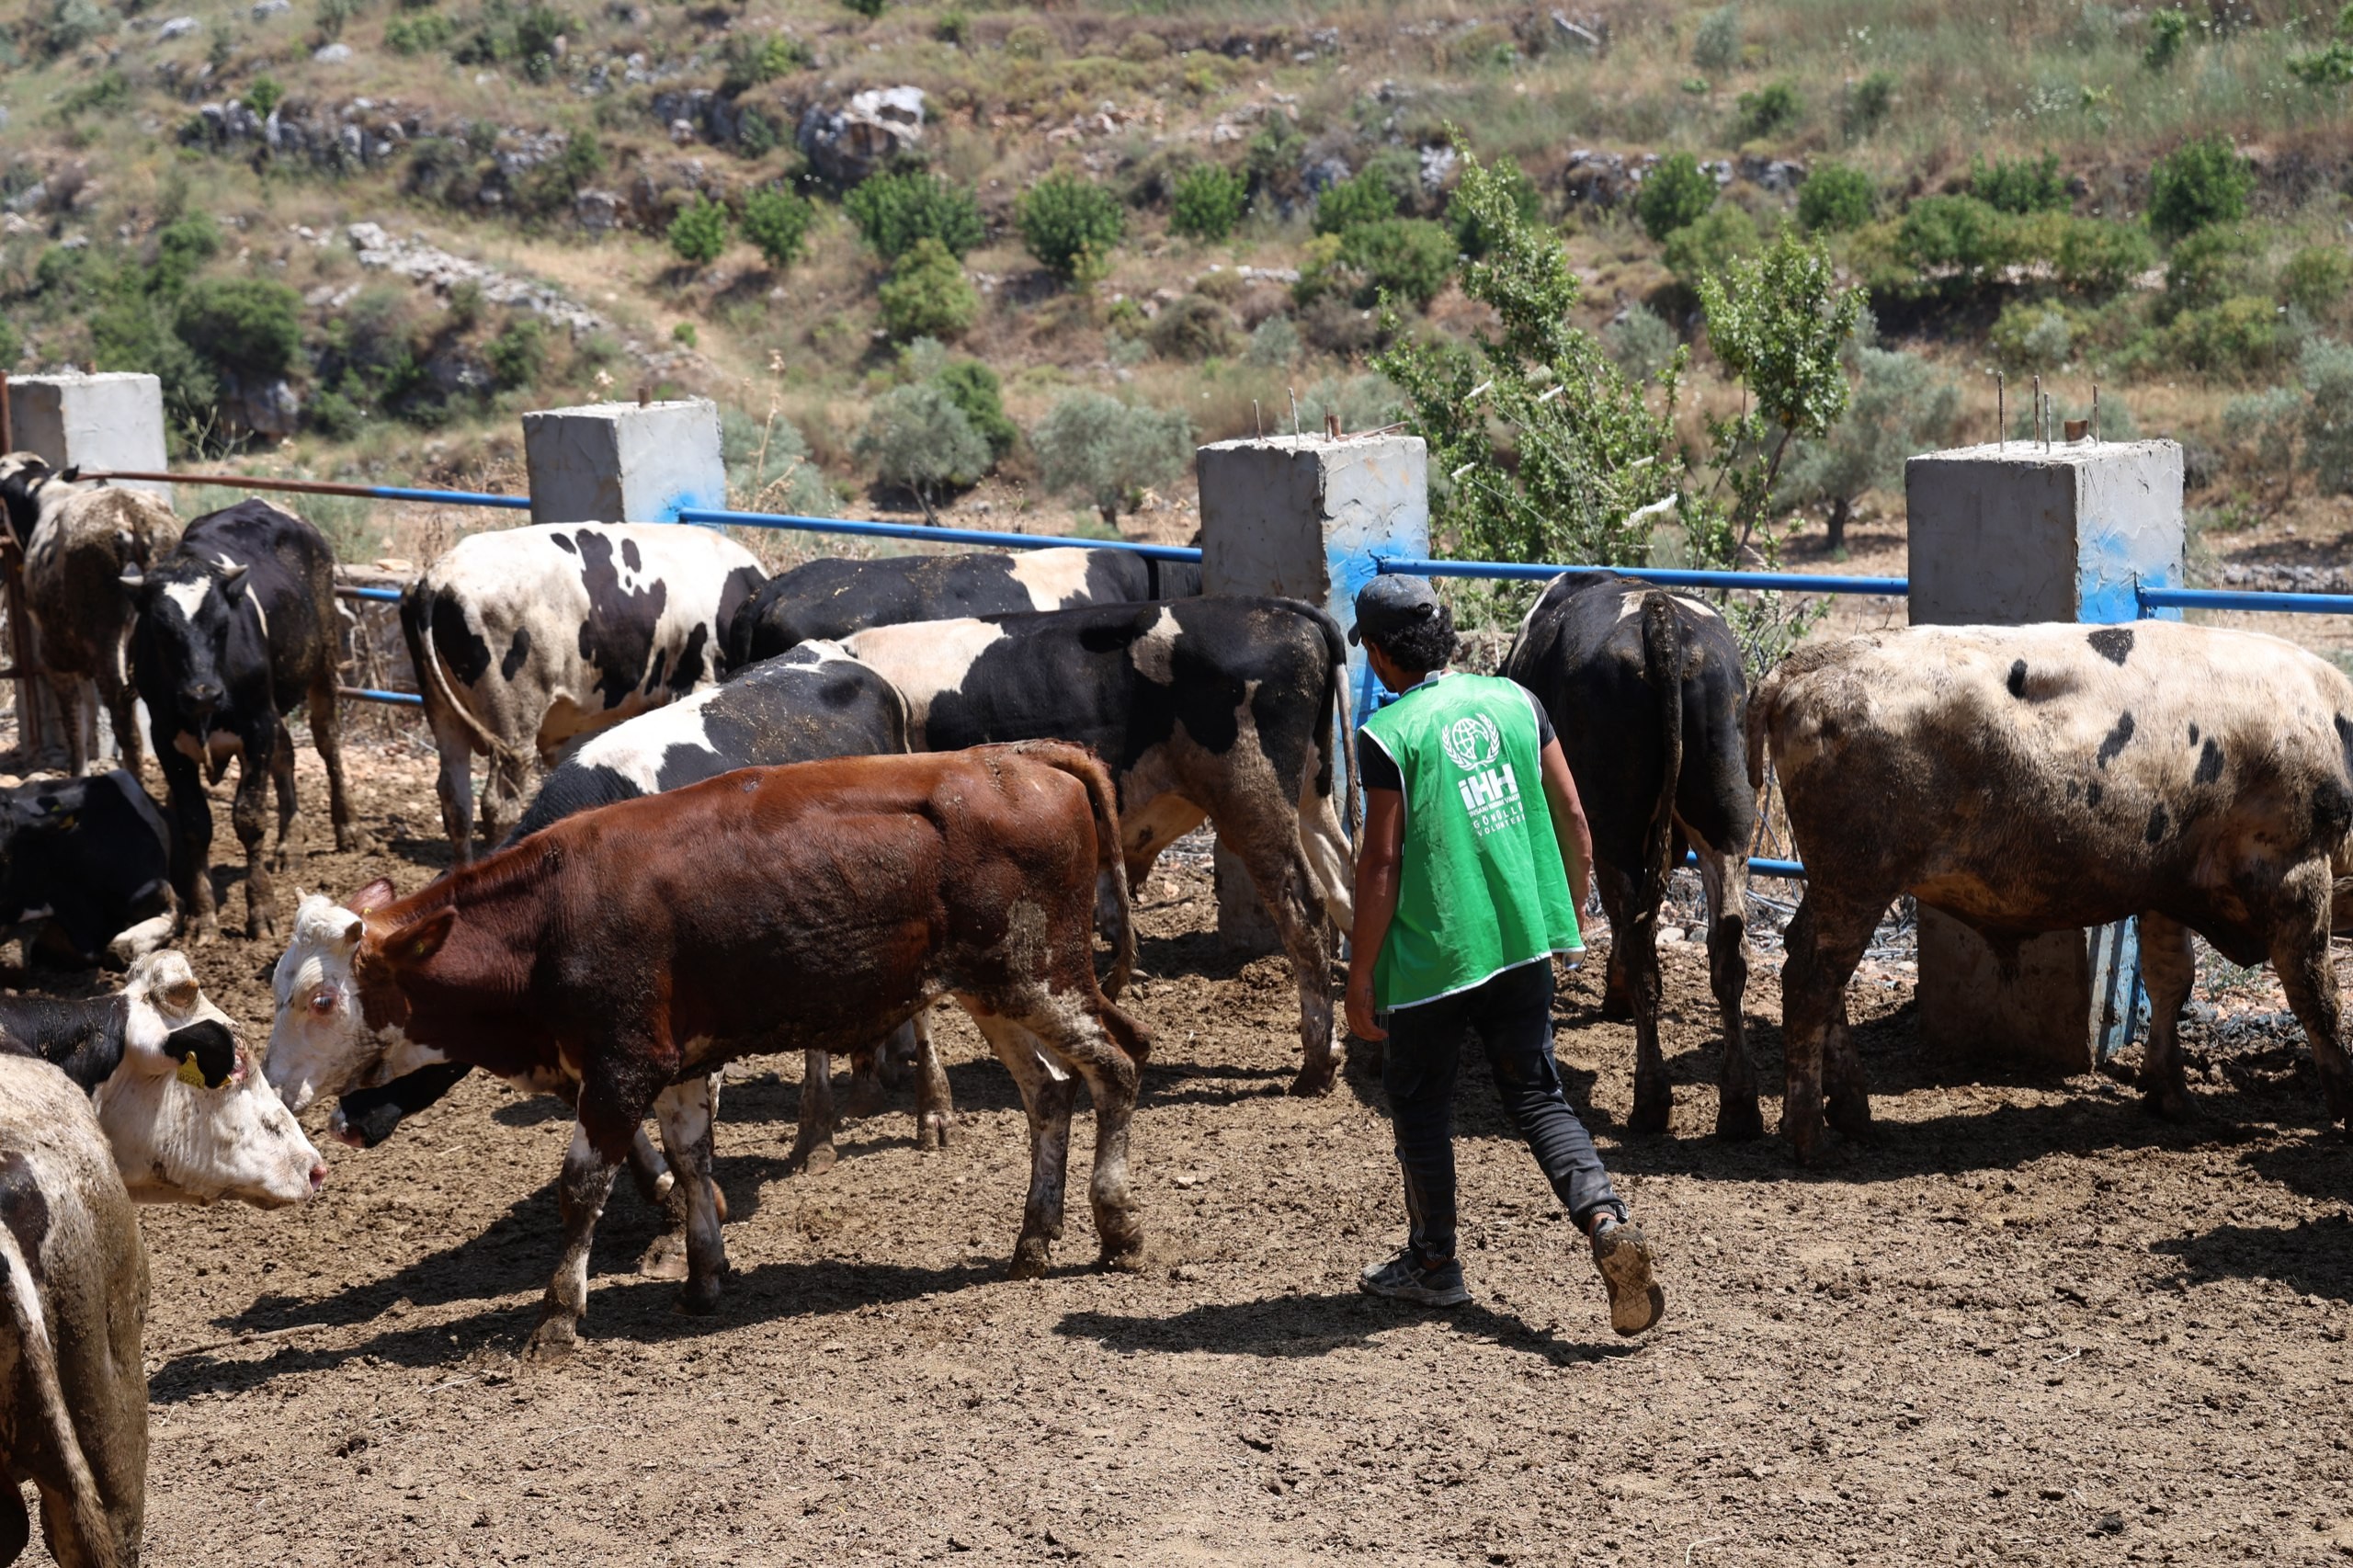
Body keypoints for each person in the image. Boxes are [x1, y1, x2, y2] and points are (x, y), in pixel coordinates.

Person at [1346, 574, 1664, 1335]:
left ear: (1384, 655)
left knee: (1420, 1100)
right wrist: (1570, 908)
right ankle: (1605, 1219)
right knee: (1538, 1094)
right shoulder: (1518, 700)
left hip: (1435, 956)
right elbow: (1574, 817)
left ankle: (1433, 1264)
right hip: (1521, 942)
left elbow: (1381, 863)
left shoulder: (1389, 734)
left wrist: (1359, 973)